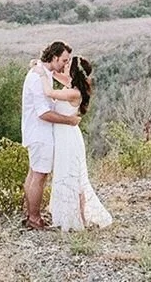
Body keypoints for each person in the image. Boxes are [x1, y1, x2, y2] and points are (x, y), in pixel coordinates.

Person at [33, 55, 112, 231]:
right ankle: (75, 218)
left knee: (73, 178)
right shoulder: (71, 85)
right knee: (67, 175)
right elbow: (56, 75)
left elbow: (49, 92)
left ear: (74, 71)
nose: (65, 65)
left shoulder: (74, 92)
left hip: (68, 137)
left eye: (68, 63)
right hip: (63, 135)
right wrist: (43, 65)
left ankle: (78, 219)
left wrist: (41, 74)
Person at [21, 41, 80, 230]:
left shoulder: (43, 73)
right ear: (54, 57)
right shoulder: (38, 78)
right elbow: (43, 113)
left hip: (37, 132)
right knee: (39, 176)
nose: (65, 64)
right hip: (40, 133)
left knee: (34, 174)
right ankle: (34, 218)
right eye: (63, 60)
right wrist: (69, 120)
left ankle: (30, 214)